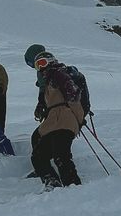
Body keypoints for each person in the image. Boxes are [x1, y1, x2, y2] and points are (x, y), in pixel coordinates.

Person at [27, 49, 84, 188]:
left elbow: (73, 94)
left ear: (51, 61)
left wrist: (77, 118)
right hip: (54, 122)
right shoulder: (49, 80)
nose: (40, 67)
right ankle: (53, 183)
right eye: (37, 65)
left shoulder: (58, 73)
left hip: (64, 120)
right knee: (39, 155)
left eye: (42, 63)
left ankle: (73, 186)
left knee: (60, 154)